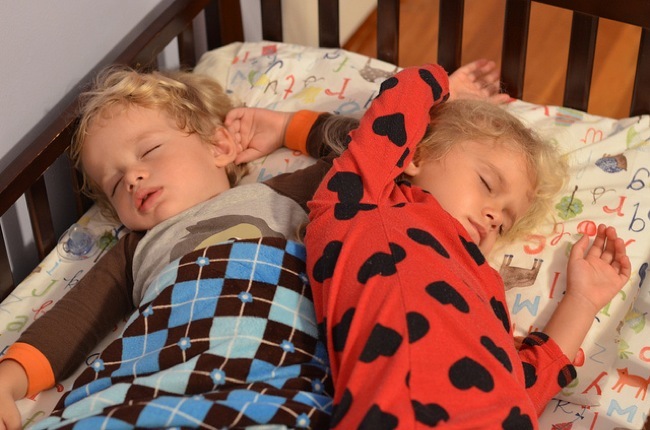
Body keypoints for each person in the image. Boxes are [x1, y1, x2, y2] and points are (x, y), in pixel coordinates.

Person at [0, 59, 509, 430]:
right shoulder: (137, 249)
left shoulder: (281, 193)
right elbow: (73, 321)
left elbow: (367, 150)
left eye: (149, 150)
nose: (132, 176)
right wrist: (9, 379)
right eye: (114, 184)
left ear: (219, 145)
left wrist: (288, 127)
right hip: (159, 364)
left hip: (274, 359)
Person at [300, 64, 631, 428]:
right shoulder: (362, 204)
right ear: (417, 155)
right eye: (487, 184)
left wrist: (582, 300)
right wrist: (447, 93)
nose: (494, 217)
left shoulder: (483, 284)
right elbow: (407, 89)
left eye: (504, 223)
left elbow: (523, 385)